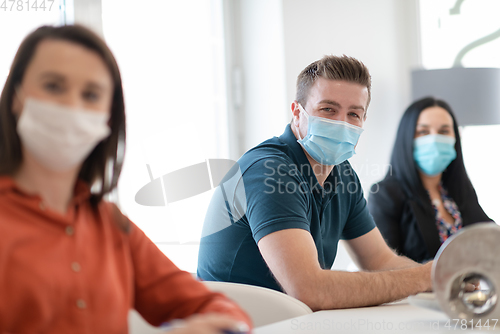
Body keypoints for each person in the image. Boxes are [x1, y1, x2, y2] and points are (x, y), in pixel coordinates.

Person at [0, 25, 251, 334]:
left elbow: (214, 307)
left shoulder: (111, 225)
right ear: (15, 97)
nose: (72, 105)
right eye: (53, 86)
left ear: (107, 117)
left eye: (91, 94)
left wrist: (224, 325)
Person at [197, 55, 433, 311]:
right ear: (297, 113)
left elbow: (380, 260)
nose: (342, 123)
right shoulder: (269, 170)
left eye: (354, 114)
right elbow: (309, 289)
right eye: (328, 109)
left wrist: (445, 279)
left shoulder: (343, 175)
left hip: (292, 322)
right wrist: (423, 278)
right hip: (237, 324)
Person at [368, 97, 492, 263]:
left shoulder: (460, 190)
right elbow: (382, 265)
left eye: (444, 131)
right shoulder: (385, 195)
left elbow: (490, 238)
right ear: (407, 139)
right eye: (423, 132)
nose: (434, 139)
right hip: (419, 289)